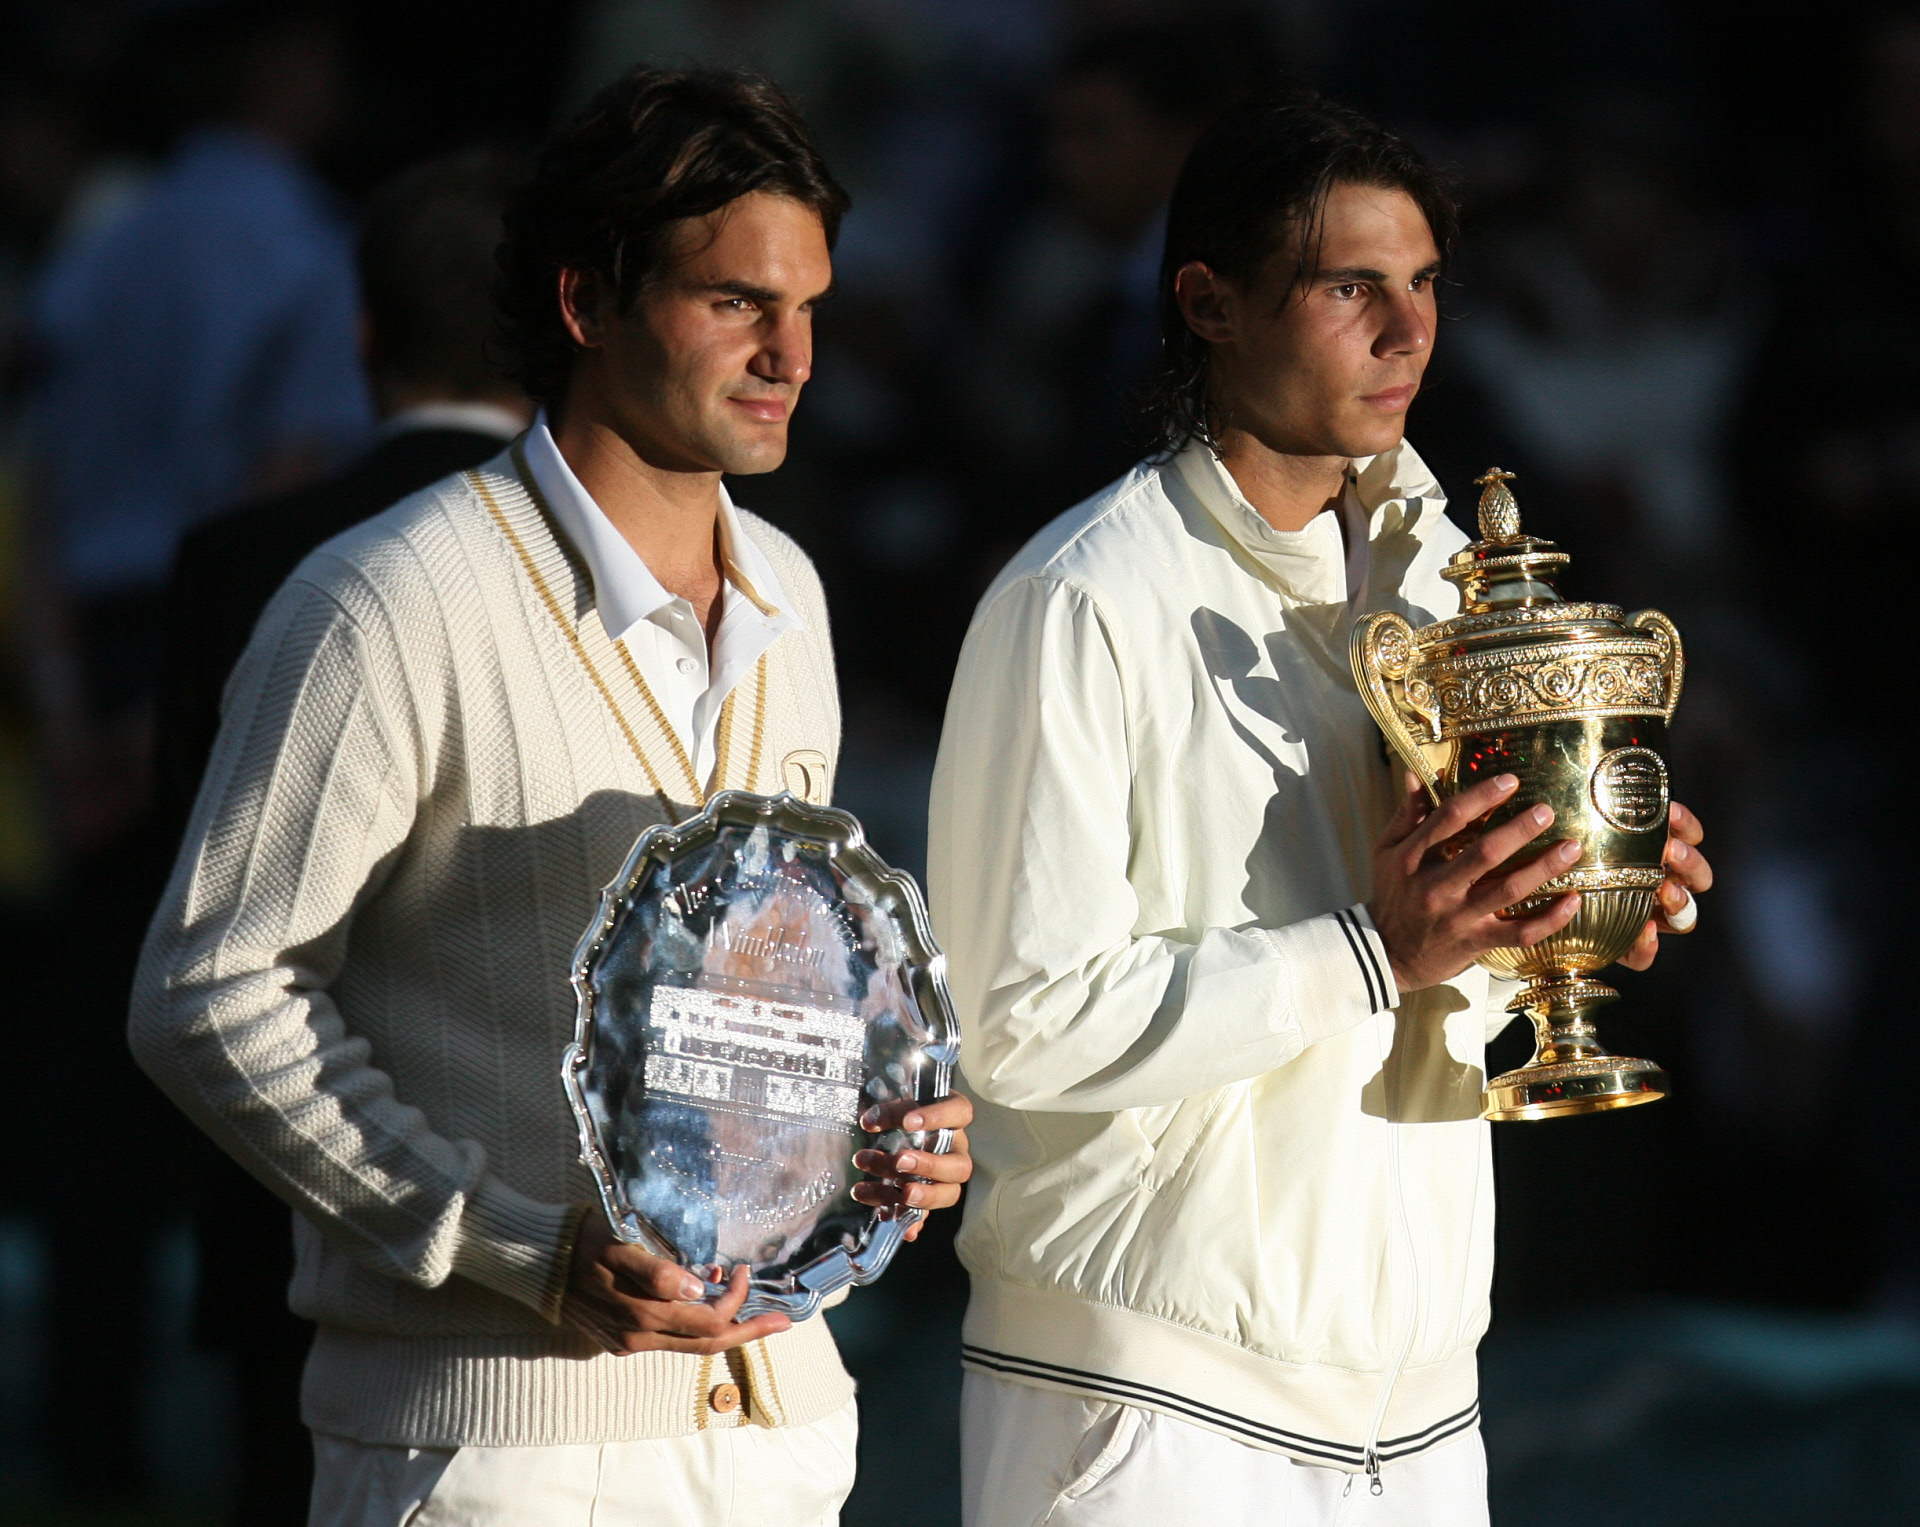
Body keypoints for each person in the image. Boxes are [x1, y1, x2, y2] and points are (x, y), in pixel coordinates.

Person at [132, 67, 972, 1527]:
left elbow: (758, 997)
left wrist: (877, 1122)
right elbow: (209, 991)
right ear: (587, 303)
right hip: (492, 1452)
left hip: (781, 1429)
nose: (794, 355)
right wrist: (507, 1243)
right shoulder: (382, 602)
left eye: (810, 306)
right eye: (737, 304)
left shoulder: (792, 590)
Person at [928, 88, 1712, 1526]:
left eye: (1423, 285)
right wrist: (1372, 949)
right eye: (1351, 286)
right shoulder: (1080, 597)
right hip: (1145, 1409)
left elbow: (1441, 955)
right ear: (1208, 304)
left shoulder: (1451, 587)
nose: (1407, 331)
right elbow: (1018, 1023)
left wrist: (1561, 901)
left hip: (1421, 1405)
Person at [152, 147, 533, 1527]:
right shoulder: (624, 565)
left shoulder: (236, 559)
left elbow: (187, 883)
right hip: (531, 1219)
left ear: (366, 337)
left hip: (283, 1188)